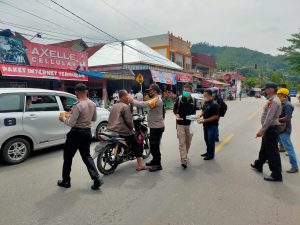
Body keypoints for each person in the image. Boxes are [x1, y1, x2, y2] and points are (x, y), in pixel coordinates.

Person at [58, 83, 103, 190]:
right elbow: (93, 118)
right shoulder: (92, 104)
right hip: (87, 132)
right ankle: (96, 178)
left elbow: (71, 123)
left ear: (76, 93)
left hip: (76, 133)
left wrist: (63, 119)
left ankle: (66, 181)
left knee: (68, 157)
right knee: (86, 156)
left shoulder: (77, 105)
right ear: (86, 92)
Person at [107, 89, 146, 171]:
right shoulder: (125, 107)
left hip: (111, 129)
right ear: (124, 97)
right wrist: (132, 128)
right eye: (127, 95)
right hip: (122, 131)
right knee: (136, 143)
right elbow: (129, 121)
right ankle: (139, 165)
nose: (128, 97)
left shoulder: (114, 105)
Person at [251, 83, 283, 182]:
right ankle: (259, 164)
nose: (265, 91)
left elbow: (269, 118)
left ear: (271, 90)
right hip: (270, 128)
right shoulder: (272, 100)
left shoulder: (274, 101)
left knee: (272, 153)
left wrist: (262, 130)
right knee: (264, 148)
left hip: (271, 128)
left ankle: (276, 175)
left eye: (266, 89)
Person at [130, 84, 165, 172]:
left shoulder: (156, 99)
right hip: (154, 126)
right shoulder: (155, 99)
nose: (149, 91)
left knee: (154, 146)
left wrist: (133, 101)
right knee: (152, 145)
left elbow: (144, 104)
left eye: (150, 90)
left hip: (157, 127)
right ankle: (154, 161)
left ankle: (158, 164)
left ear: (155, 91)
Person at [173, 84, 196, 168]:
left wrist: (194, 117)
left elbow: (194, 111)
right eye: (184, 90)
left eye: (187, 90)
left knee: (188, 142)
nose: (185, 92)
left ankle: (185, 154)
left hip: (190, 124)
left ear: (190, 91)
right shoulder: (179, 99)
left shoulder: (193, 100)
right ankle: (183, 159)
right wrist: (177, 114)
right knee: (182, 142)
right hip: (180, 124)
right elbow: (174, 109)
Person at [277, 88, 298, 173]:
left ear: (283, 95)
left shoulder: (287, 105)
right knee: (272, 144)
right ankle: (270, 159)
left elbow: (288, 118)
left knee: (289, 149)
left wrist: (276, 119)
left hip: (284, 129)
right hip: (280, 128)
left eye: (279, 94)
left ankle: (294, 167)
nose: (278, 96)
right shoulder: (282, 104)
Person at [196, 89, 220, 160]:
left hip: (212, 125)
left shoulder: (215, 104)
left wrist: (205, 120)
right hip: (205, 124)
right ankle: (208, 152)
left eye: (205, 94)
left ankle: (211, 155)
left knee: (211, 140)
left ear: (209, 95)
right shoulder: (206, 102)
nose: (204, 95)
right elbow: (203, 111)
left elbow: (216, 116)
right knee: (206, 139)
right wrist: (199, 116)